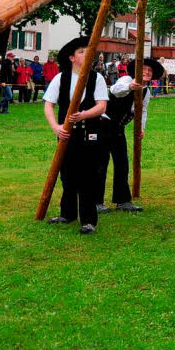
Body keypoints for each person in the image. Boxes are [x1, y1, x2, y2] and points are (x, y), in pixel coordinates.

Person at [43, 37, 109, 234]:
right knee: (67, 175)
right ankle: (67, 214)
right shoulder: (60, 78)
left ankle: (88, 221)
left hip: (90, 133)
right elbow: (48, 104)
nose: (86, 54)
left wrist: (84, 115)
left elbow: (101, 106)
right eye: (81, 51)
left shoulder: (96, 78)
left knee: (88, 176)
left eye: (87, 51)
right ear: (72, 57)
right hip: (66, 135)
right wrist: (56, 127)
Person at [100, 57, 164, 213]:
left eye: (150, 71)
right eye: (144, 69)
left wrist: (141, 128)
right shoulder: (126, 79)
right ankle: (95, 201)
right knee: (100, 164)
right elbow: (115, 90)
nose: (147, 72)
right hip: (103, 125)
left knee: (122, 164)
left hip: (118, 129)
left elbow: (142, 111)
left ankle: (122, 201)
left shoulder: (146, 91)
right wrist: (130, 86)